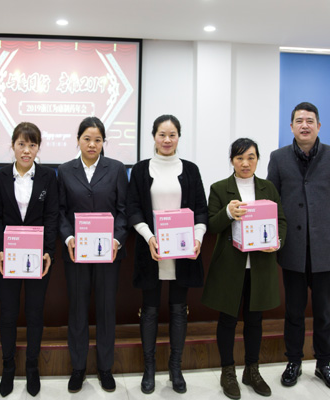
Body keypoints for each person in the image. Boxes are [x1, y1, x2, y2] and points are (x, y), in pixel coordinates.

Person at [267, 102, 330, 392]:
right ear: (291, 126)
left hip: (326, 248)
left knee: (324, 312)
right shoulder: (278, 157)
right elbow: (270, 202)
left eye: (310, 120)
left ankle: (324, 364)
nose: (304, 125)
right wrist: (269, 238)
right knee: (293, 312)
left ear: (318, 126)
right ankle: (293, 361)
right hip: (292, 249)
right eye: (299, 120)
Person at [127, 114, 208, 394]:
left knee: (178, 310)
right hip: (152, 250)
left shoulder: (191, 170)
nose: (167, 140)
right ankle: (149, 368)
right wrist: (149, 237)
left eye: (172, 135)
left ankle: (176, 368)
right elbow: (133, 209)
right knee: (149, 310)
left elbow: (201, 209)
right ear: (153, 136)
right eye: (162, 134)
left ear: (178, 137)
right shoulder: (140, 170)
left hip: (183, 252)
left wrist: (197, 238)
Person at [201, 138, 286, 399]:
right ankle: (228, 371)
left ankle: (252, 370)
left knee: (255, 320)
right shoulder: (219, 188)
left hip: (259, 264)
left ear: (258, 159)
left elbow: (281, 220)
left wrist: (278, 241)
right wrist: (227, 213)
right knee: (227, 319)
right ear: (232, 161)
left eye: (251, 157)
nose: (245, 163)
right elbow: (212, 226)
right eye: (239, 158)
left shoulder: (268, 187)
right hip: (230, 265)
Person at [57, 116, 128, 393]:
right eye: (87, 139)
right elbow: (60, 211)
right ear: (78, 140)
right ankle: (78, 368)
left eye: (97, 140)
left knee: (106, 309)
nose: (92, 144)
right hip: (76, 253)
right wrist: (69, 237)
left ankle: (105, 368)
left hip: (108, 253)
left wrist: (117, 239)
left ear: (103, 142)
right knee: (77, 309)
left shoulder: (117, 168)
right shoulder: (65, 170)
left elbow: (123, 210)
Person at [0, 122, 59, 397]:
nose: (26, 150)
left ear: (38, 147)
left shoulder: (48, 177)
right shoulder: (0, 177)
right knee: (8, 313)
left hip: (37, 257)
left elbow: (51, 217)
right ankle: (8, 367)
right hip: (7, 258)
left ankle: (32, 367)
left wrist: (49, 251)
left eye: (32, 145)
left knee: (34, 312)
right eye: (21, 144)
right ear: (13, 146)